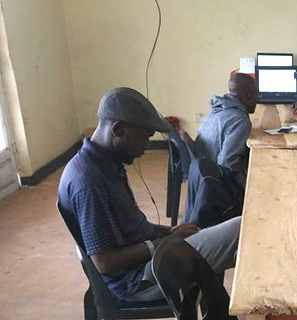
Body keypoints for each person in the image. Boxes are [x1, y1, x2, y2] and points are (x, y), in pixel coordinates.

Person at [58, 87, 241, 302]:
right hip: (139, 280)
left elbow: (133, 229)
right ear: (117, 130)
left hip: (155, 257)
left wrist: (169, 231)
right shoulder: (89, 182)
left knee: (233, 230)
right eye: (143, 138)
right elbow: (104, 262)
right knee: (241, 233)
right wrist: (167, 241)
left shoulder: (106, 163)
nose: (146, 146)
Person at [184, 73, 258, 227]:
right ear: (249, 95)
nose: (257, 101)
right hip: (217, 189)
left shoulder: (218, 109)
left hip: (203, 180)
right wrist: (249, 187)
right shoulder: (240, 120)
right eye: (256, 96)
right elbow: (228, 163)